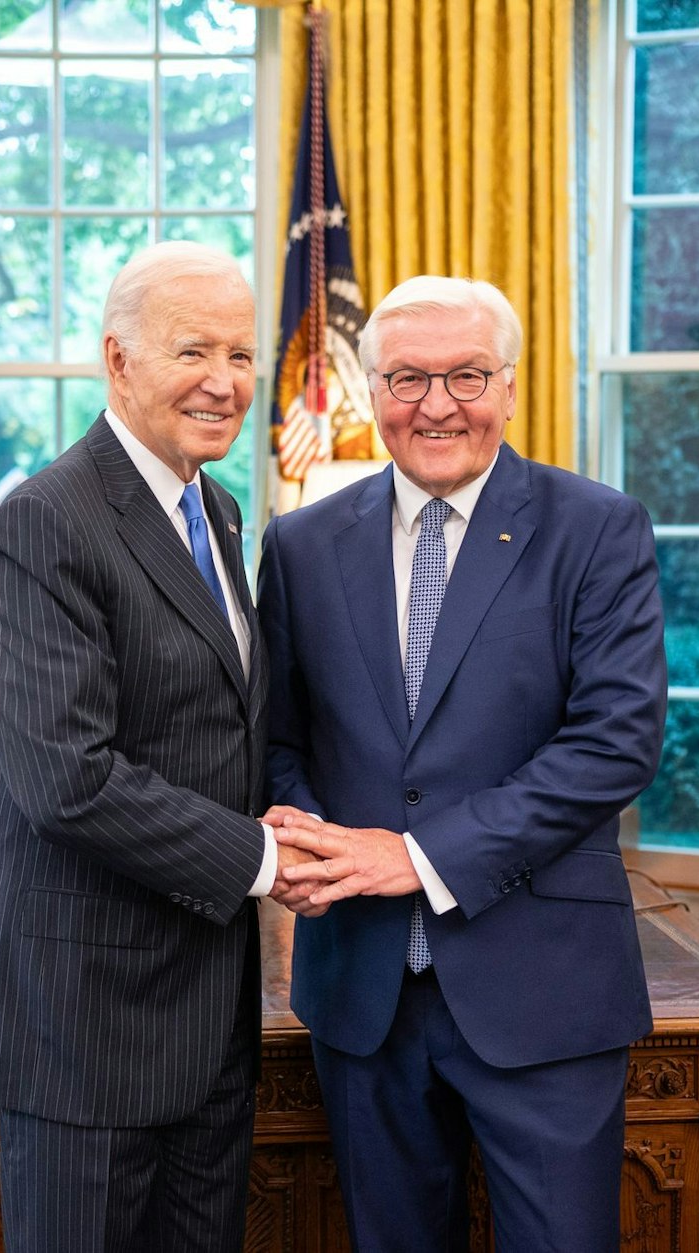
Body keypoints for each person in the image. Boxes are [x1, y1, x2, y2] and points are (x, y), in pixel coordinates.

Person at [257, 275, 667, 1252]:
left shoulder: (595, 528)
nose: (435, 404)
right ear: (371, 391)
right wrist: (302, 831)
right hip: (359, 992)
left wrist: (420, 855)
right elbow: (277, 739)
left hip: (543, 987)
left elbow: (616, 740)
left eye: (466, 375)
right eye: (406, 378)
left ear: (510, 387)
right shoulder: (302, 543)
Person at [0, 241, 308, 1252]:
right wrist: (267, 858)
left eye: (242, 355)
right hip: (87, 1028)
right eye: (193, 350)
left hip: (207, 1014)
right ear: (117, 360)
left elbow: (219, 724)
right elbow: (65, 779)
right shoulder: (44, 520)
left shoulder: (219, 509)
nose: (225, 381)